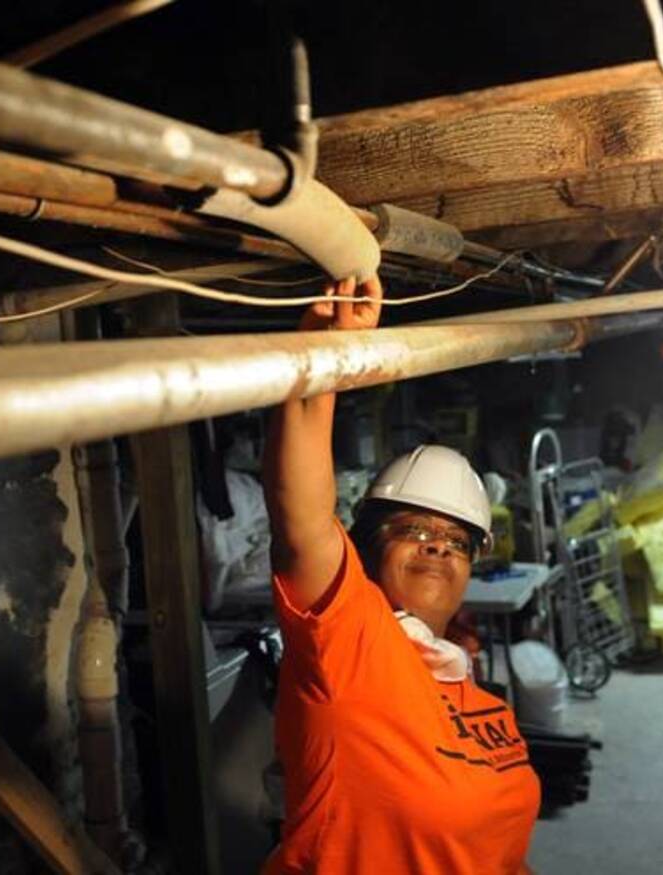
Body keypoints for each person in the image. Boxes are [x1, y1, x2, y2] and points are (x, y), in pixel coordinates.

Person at [261, 275, 540, 874]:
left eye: (457, 541)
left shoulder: (476, 695)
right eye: (414, 530)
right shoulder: (350, 646)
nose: (438, 548)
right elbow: (301, 518)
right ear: (367, 547)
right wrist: (325, 355)